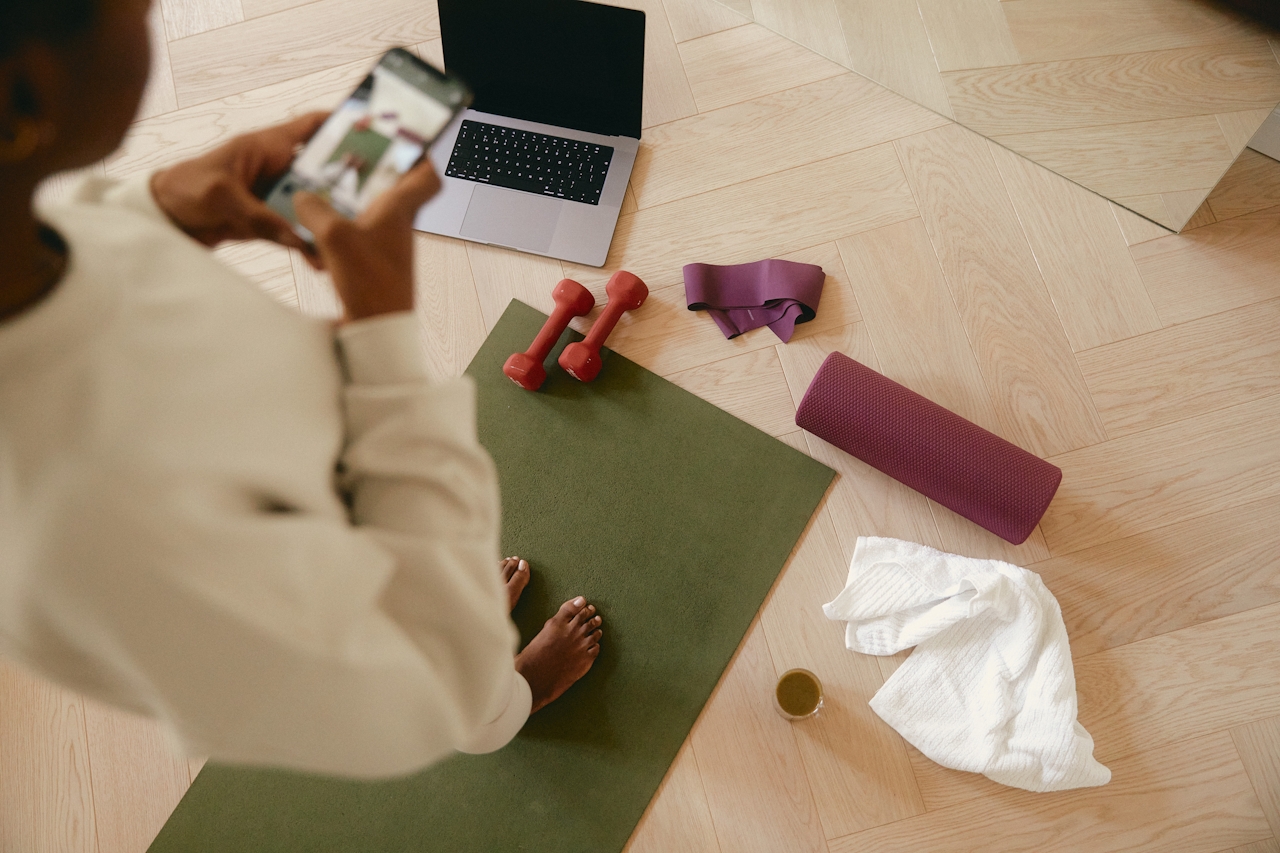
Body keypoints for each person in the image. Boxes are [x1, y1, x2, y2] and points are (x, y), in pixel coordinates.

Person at [0, 0, 600, 777]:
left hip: (311, 483)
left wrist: (151, 211)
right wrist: (382, 330)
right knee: (469, 688)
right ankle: (514, 696)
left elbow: (53, 243)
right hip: (376, 622)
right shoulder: (83, 534)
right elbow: (405, 710)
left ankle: (461, 608)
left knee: (448, 592)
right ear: (23, 98)